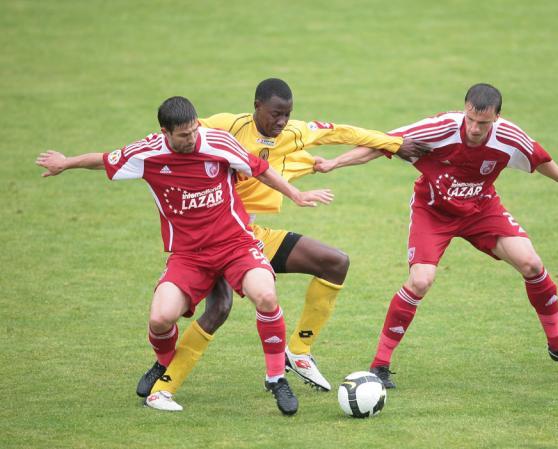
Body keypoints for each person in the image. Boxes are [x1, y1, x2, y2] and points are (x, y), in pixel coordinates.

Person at [136, 78, 430, 402]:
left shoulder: (293, 136)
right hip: (211, 235)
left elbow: (342, 132)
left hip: (251, 236)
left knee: (335, 262)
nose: (281, 122)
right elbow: (179, 133)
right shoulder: (226, 127)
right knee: (218, 308)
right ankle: (164, 376)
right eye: (275, 114)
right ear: (256, 107)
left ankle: (299, 350)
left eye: (286, 115)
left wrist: (393, 142)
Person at [36, 96, 334, 415]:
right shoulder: (146, 153)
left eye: (194, 130)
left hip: (234, 244)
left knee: (265, 295)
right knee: (160, 318)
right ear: (165, 132)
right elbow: (104, 159)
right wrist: (65, 163)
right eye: (183, 135)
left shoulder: (217, 142)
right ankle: (165, 364)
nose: (192, 138)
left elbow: (260, 169)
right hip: (189, 255)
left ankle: (276, 378)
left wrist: (296, 194)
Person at [314, 83, 558, 388]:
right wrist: (333, 163)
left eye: (484, 123)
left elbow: (540, 158)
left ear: (497, 117)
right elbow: (381, 142)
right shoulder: (439, 128)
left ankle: (557, 345)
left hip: (481, 209)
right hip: (432, 212)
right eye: (471, 119)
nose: (475, 128)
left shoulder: (509, 136)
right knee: (421, 280)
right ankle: (380, 365)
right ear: (465, 110)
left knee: (531, 263)